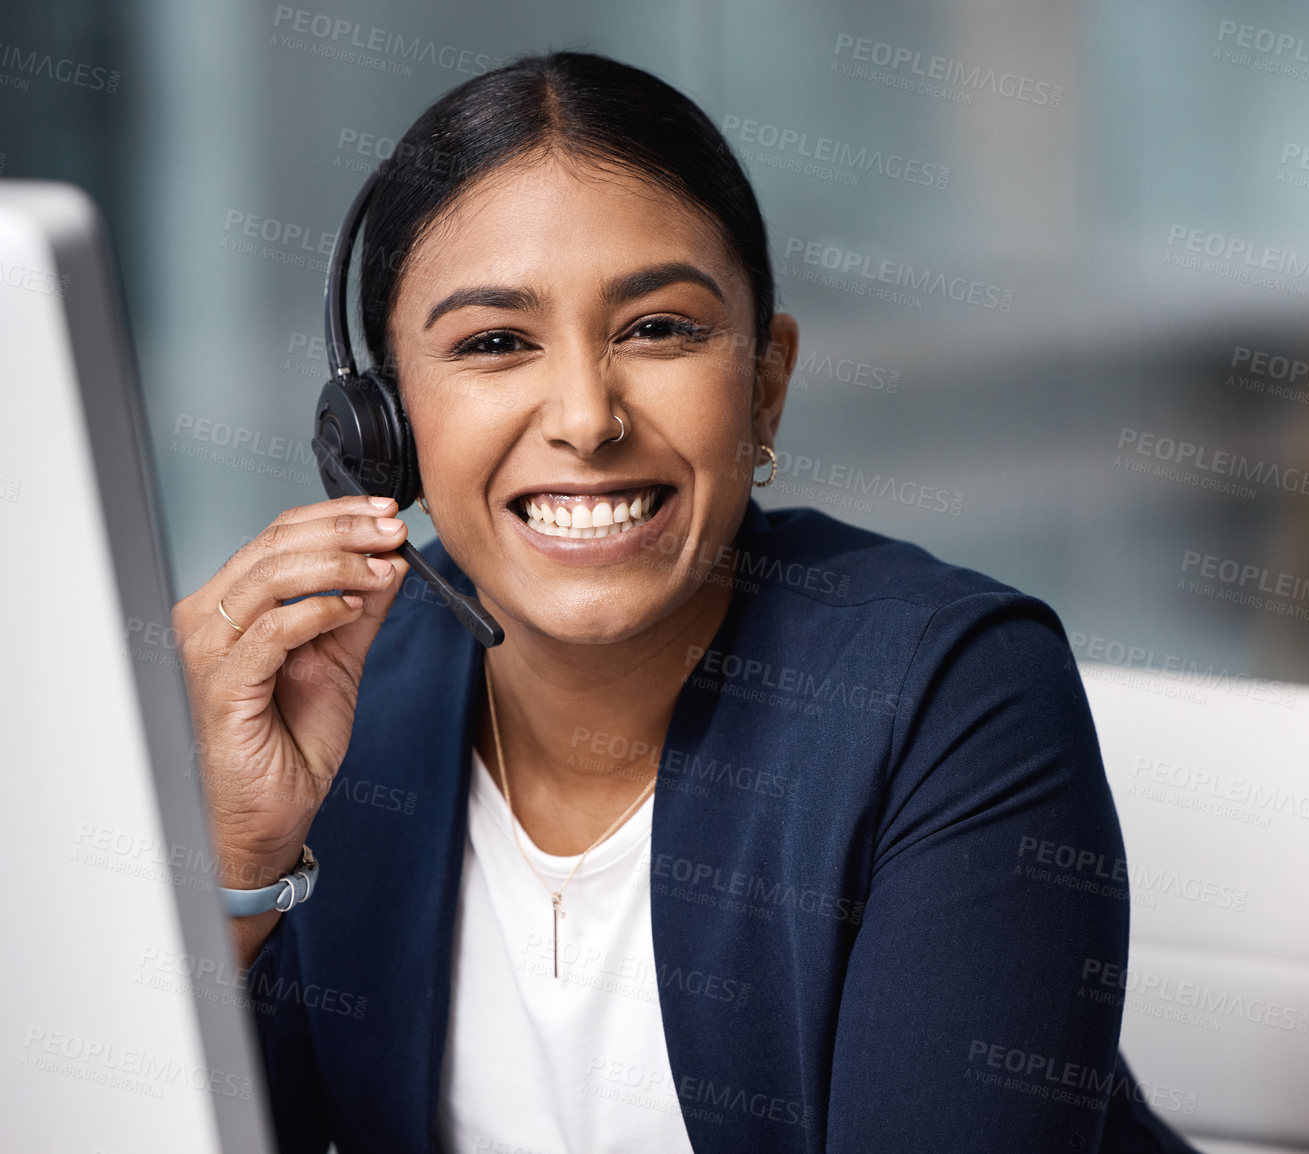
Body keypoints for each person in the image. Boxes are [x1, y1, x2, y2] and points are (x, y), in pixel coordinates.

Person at [172, 50, 1199, 1154]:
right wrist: (231, 857)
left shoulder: (953, 697)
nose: (585, 416)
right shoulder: (347, 708)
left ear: (764, 383)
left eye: (658, 328)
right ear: (383, 426)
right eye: (494, 342)